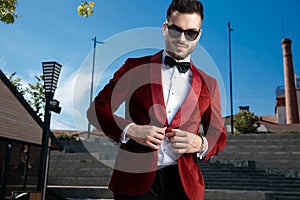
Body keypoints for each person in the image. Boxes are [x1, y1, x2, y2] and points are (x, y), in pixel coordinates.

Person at [87, 0, 226, 199]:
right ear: (164, 28)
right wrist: (131, 130)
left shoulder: (209, 84)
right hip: (133, 180)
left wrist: (201, 143)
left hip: (185, 186)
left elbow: (218, 134)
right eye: (176, 30)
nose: (182, 39)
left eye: (191, 33)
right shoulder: (133, 67)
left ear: (199, 35)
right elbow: (97, 109)